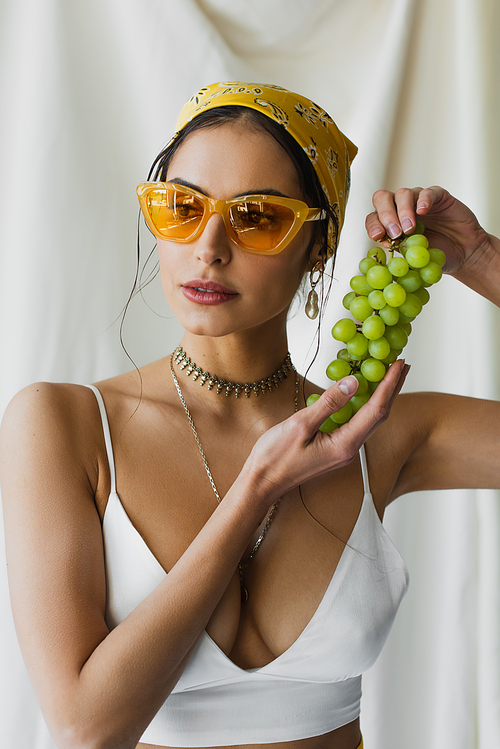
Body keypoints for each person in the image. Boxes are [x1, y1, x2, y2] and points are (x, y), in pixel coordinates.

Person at [0, 81, 499, 749]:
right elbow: (85, 727)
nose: (208, 246)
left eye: (257, 216)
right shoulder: (64, 425)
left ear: (316, 245)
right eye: (181, 207)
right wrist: (255, 488)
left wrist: (482, 258)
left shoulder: (378, 434)